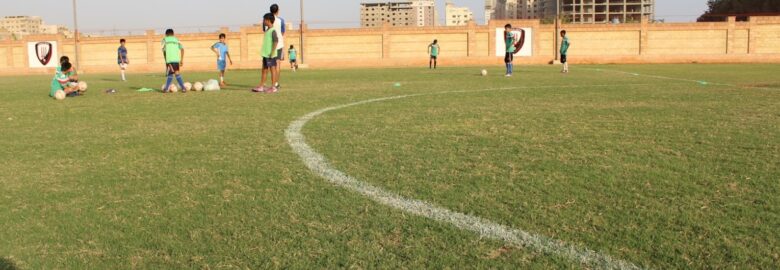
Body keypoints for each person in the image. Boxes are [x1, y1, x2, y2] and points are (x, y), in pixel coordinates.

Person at [252, 13, 279, 93]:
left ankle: (273, 87)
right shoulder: (267, 30)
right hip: (265, 54)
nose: (263, 21)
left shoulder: (273, 31)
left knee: (272, 69)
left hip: (270, 54)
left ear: (268, 20)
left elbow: (276, 41)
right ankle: (261, 86)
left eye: (264, 20)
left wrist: (272, 52)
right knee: (264, 70)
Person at [161, 29, 187, 93]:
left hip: (169, 60)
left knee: (174, 73)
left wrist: (165, 59)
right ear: (173, 34)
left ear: (166, 34)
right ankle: (167, 88)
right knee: (172, 73)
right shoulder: (177, 40)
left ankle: (182, 88)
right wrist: (181, 60)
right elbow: (182, 49)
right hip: (176, 60)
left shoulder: (164, 40)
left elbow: (163, 50)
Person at [271, 4, 285, 89]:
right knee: (278, 63)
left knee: (271, 65)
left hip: (270, 44)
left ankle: (272, 83)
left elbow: (265, 31)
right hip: (279, 44)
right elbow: (282, 32)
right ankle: (276, 83)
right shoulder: (281, 20)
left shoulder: (267, 20)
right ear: (277, 11)